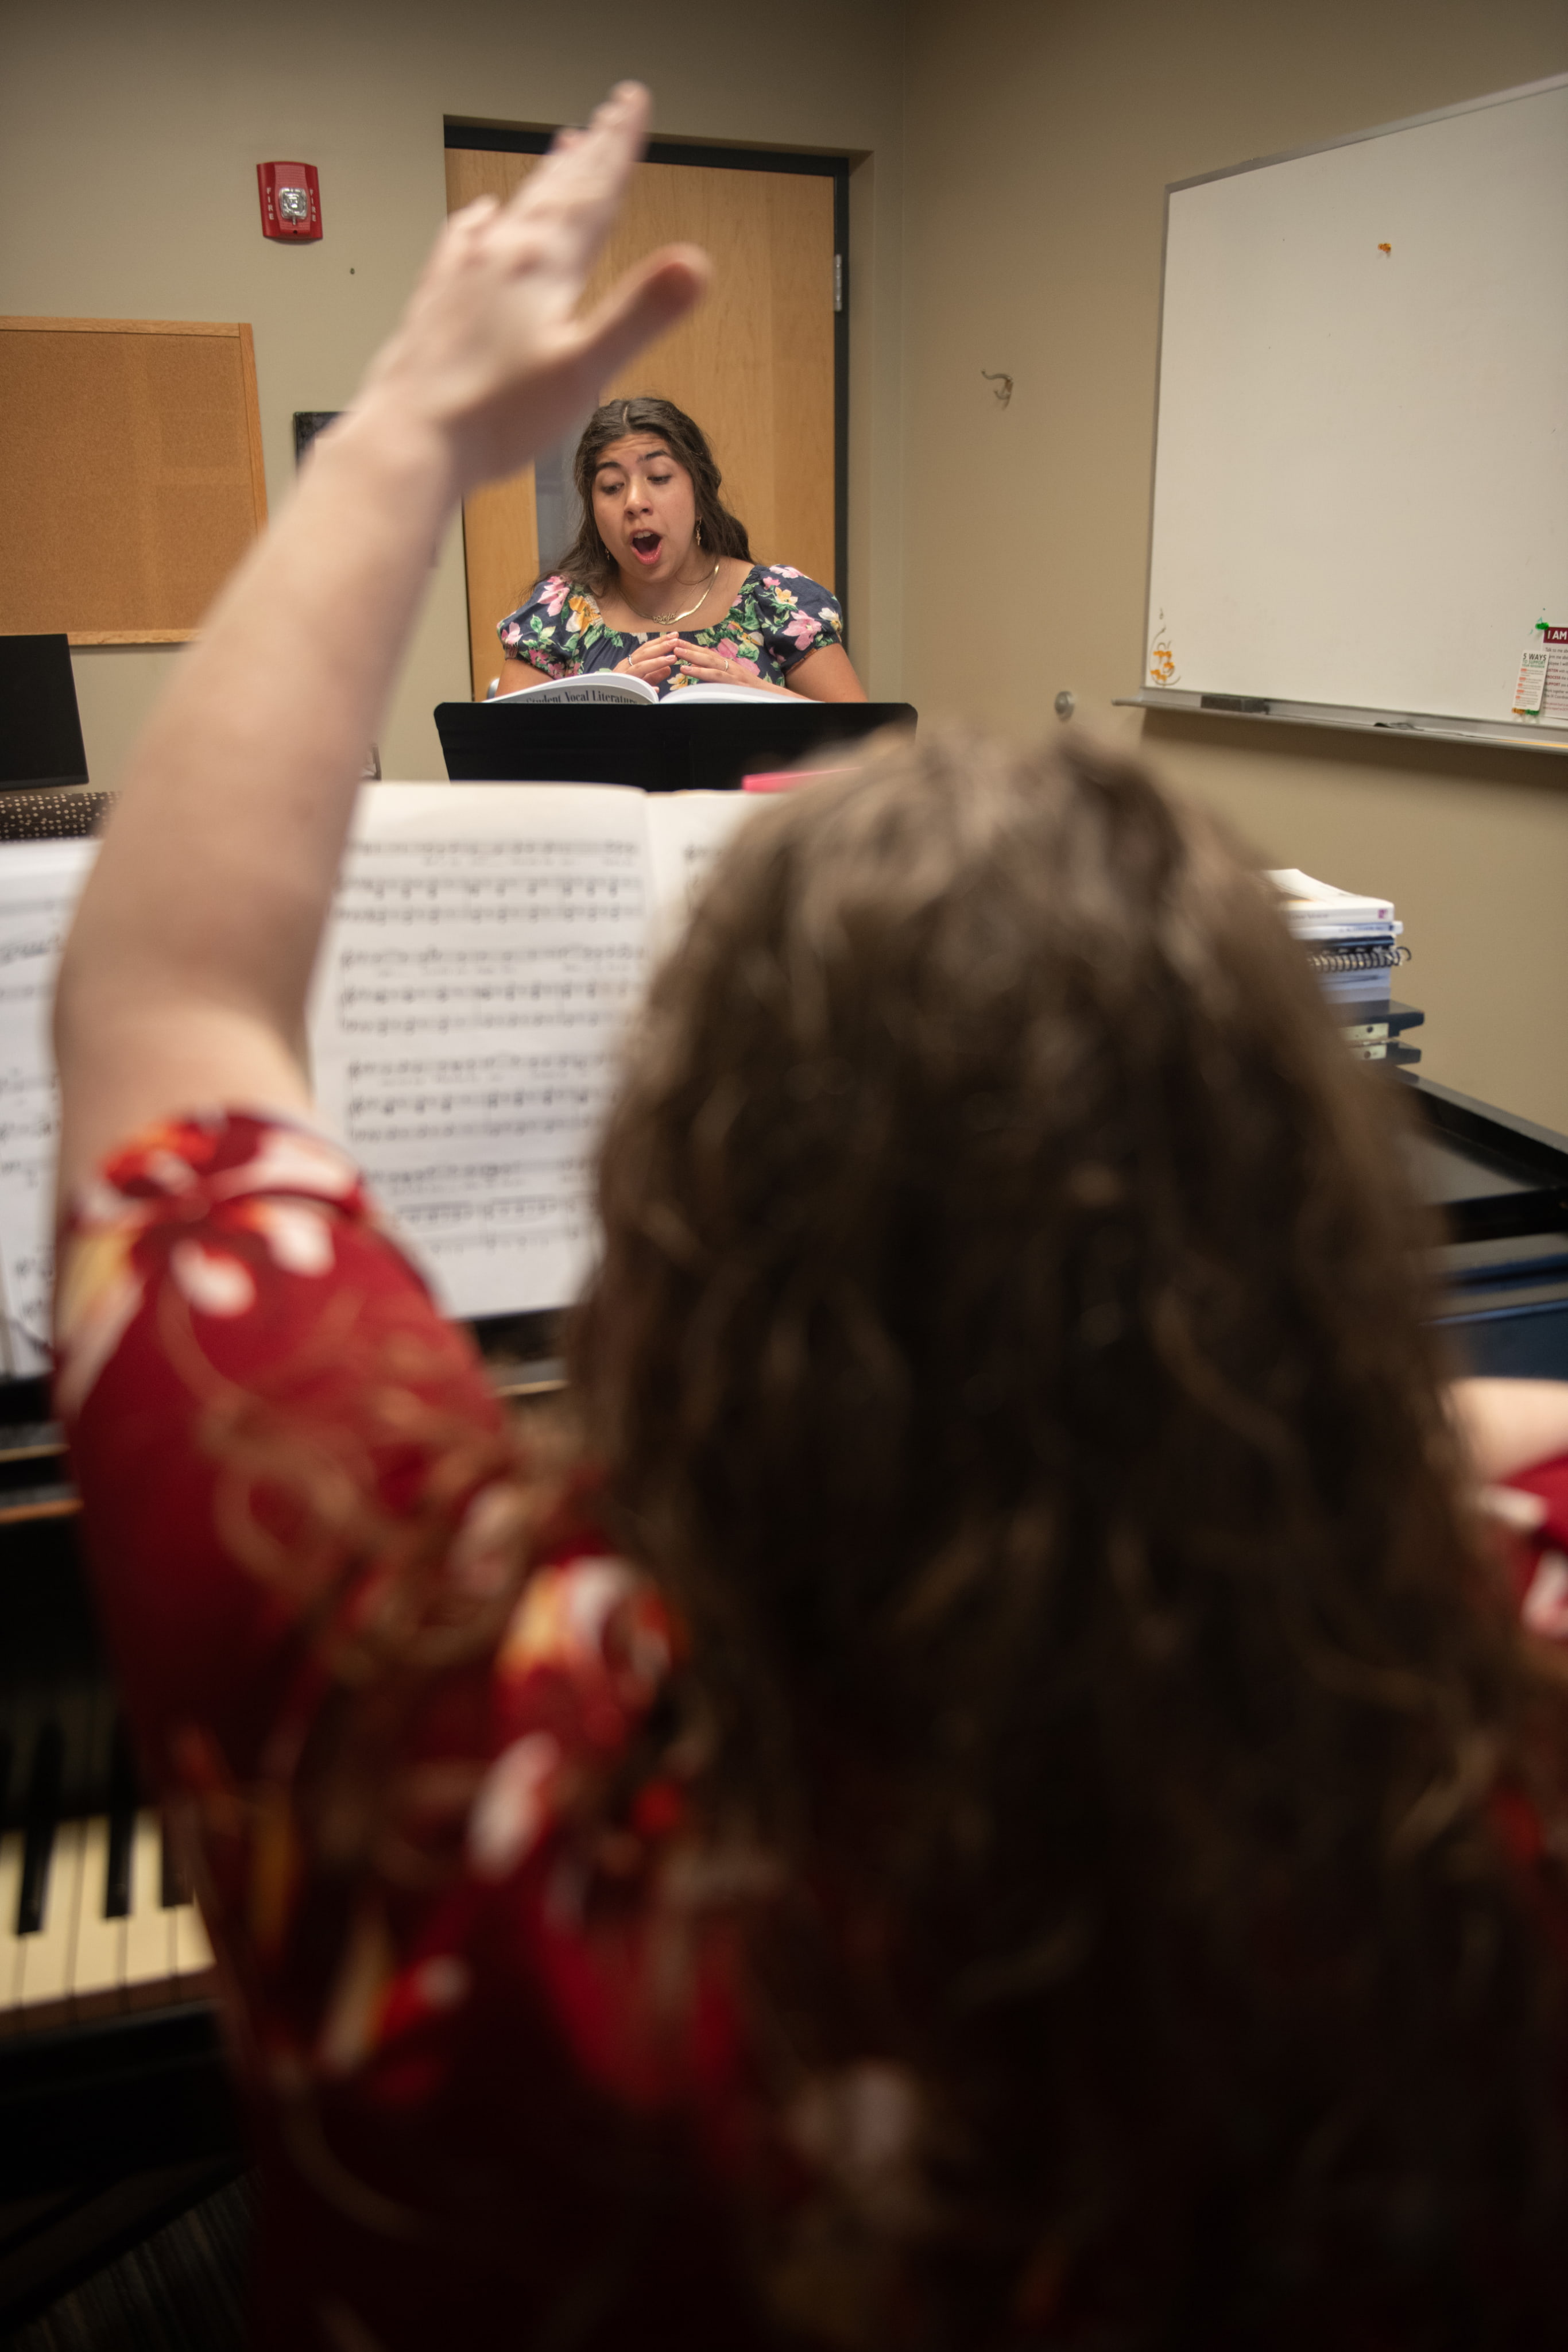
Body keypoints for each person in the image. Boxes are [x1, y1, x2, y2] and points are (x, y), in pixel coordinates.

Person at [48, 80, 1568, 2352]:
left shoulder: (429, 1698)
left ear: (671, 1211)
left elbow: (161, 998)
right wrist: (1306, 1416)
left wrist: (395, 438)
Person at [494, 393, 866, 701]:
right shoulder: (557, 614)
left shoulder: (776, 601)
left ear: (700, 495)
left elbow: (867, 748)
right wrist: (600, 706)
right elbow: (505, 761)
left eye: (658, 478)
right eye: (611, 487)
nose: (635, 502)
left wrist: (763, 697)